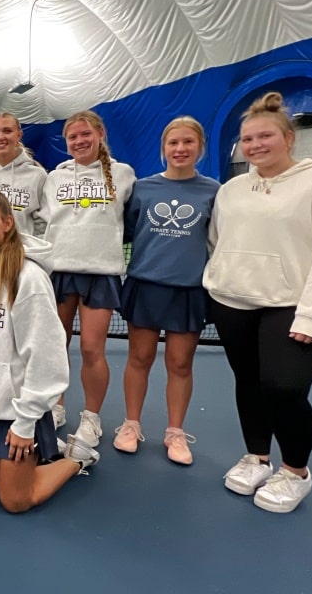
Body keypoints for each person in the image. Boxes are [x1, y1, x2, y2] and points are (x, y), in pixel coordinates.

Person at [204, 92, 312, 513]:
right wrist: (218, 282)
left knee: (285, 388)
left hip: (293, 307)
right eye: (247, 139)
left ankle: (296, 472)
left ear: (289, 138)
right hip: (233, 302)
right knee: (249, 382)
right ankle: (257, 456)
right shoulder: (232, 189)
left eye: (265, 136)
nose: (255, 145)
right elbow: (218, 241)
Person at [0, 190, 98, 513]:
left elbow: (48, 358)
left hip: (13, 412)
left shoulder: (29, 279)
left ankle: (76, 458)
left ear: (8, 222)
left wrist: (24, 424)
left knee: (15, 500)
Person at [113, 117, 219, 465]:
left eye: (188, 142)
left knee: (180, 364)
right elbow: (126, 232)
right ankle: (130, 425)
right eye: (173, 143)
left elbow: (217, 240)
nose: (180, 149)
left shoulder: (213, 191)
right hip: (145, 285)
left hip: (188, 291)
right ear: (164, 148)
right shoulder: (143, 189)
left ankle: (175, 432)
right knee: (138, 359)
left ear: (199, 147)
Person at [38, 110, 135, 439]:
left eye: (84, 135)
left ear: (100, 134)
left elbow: (130, 224)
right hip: (60, 272)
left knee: (93, 349)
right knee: (55, 347)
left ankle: (91, 418)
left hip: (100, 274)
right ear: (66, 142)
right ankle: (55, 404)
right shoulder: (54, 178)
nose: (79, 141)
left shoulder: (123, 175)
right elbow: (43, 224)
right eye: (72, 137)